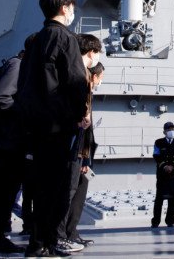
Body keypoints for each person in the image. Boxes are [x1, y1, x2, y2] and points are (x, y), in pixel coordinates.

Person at [17, 0, 89, 258]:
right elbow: (76, 80)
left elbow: (24, 83)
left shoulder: (36, 41)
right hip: (59, 123)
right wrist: (80, 111)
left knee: (41, 187)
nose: (73, 11)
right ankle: (45, 242)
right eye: (71, 7)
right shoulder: (65, 37)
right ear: (64, 8)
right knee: (57, 187)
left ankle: (38, 242)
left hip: (35, 123)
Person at [0, 37, 39, 255]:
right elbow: (1, 97)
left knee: (8, 192)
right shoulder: (17, 65)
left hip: (15, 140)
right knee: (4, 191)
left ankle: (0, 236)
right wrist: (24, 118)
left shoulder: (23, 66)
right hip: (9, 141)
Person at [55, 35, 102, 254]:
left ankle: (70, 233)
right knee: (67, 191)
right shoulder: (78, 76)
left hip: (81, 148)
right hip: (72, 145)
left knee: (75, 191)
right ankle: (59, 236)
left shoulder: (83, 76)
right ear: (92, 52)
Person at [151, 122, 174, 228]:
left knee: (173, 198)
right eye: (169, 129)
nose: (171, 131)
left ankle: (170, 221)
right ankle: (155, 221)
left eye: (173, 129)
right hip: (162, 173)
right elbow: (156, 155)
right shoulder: (159, 142)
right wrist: (164, 166)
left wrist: (172, 166)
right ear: (164, 131)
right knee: (159, 197)